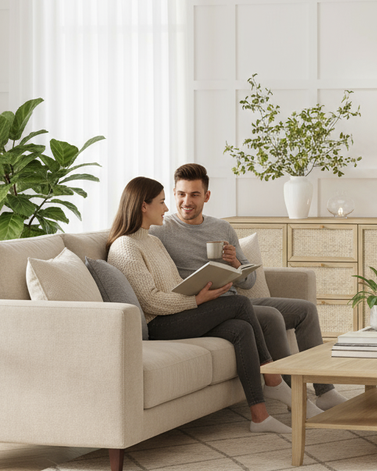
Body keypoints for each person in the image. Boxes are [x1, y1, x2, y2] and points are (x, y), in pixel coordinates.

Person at [149, 163, 346, 414]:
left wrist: (235, 263)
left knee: (305, 310)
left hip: (236, 302)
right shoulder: (160, 231)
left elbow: (249, 282)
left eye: (194, 194)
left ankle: (325, 391)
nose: (186, 201)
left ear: (207, 196)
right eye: (181, 194)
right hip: (203, 309)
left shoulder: (222, 228)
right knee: (272, 317)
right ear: (174, 193)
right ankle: (295, 399)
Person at [106, 176, 291, 434]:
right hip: (159, 323)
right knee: (239, 304)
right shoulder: (125, 246)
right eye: (162, 202)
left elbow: (172, 283)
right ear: (143, 206)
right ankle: (273, 378)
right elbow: (150, 300)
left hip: (177, 313)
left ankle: (259, 417)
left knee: (240, 329)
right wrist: (197, 300)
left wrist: (201, 287)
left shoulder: (153, 240)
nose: (168, 208)